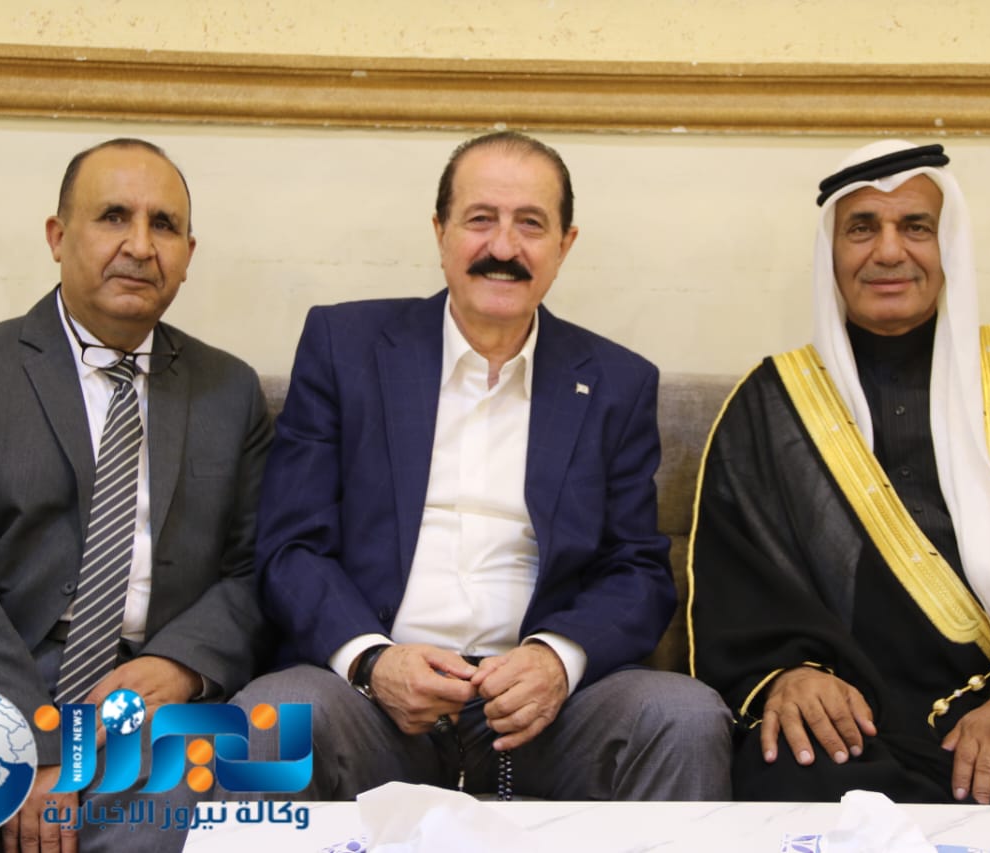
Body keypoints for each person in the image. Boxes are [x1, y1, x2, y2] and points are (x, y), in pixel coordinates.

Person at [236, 131, 732, 800]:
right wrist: (372, 660)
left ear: (565, 244)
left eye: (530, 223)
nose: (503, 247)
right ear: (440, 232)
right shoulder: (345, 347)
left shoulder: (616, 382)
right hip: (368, 701)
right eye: (480, 220)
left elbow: (637, 569)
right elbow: (291, 546)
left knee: (684, 717)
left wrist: (555, 659)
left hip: (544, 714)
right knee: (270, 721)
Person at [688, 140, 990, 807]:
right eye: (861, 228)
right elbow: (740, 591)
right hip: (869, 721)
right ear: (831, 254)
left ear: (946, 246)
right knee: (792, 765)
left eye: (915, 227)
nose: (889, 251)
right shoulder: (769, 404)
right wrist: (792, 675)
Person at [0, 138, 273, 851]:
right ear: (58, 237)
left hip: (136, 687)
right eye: (113, 217)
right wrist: (31, 742)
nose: (140, 246)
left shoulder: (229, 391)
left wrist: (182, 664)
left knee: (170, 820)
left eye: (164, 225)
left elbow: (254, 569)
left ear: (187, 254)